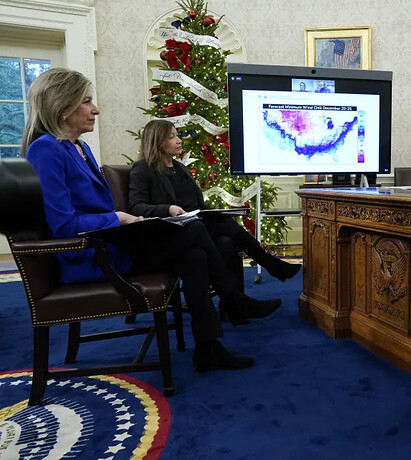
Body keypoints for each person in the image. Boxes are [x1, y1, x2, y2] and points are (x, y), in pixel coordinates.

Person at [21, 68, 270, 373]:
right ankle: (233, 300)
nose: (95, 109)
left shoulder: (80, 148)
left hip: (109, 244)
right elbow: (62, 226)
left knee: (193, 255)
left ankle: (209, 347)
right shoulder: (45, 150)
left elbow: (93, 208)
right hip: (87, 255)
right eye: (86, 102)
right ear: (62, 107)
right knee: (193, 230)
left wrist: (129, 221)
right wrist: (117, 217)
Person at [128, 118, 302, 302]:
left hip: (195, 222)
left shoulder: (179, 168)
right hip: (173, 231)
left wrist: (216, 212)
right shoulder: (143, 169)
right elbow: (137, 206)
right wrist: (168, 209)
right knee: (223, 229)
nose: (179, 140)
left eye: (177, 135)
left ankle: (237, 305)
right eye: (172, 137)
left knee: (226, 240)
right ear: (157, 141)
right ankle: (268, 266)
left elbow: (199, 204)